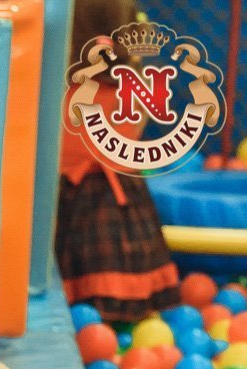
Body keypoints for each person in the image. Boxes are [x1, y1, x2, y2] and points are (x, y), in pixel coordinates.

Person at [56, 0, 181, 323]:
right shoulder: (132, 84)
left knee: (75, 282)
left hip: (72, 195)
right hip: (120, 195)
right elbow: (134, 131)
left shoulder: (63, 88)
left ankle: (87, 315)